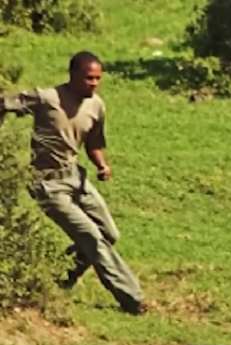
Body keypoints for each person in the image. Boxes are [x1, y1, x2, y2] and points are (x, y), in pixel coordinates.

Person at [0, 51, 146, 314]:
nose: (94, 83)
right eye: (89, 78)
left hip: (76, 179)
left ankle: (58, 279)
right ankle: (132, 298)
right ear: (73, 75)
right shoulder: (46, 98)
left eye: (98, 78)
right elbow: (4, 103)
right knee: (92, 237)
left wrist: (102, 164)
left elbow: (94, 142)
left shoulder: (96, 105)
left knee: (109, 234)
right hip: (47, 185)